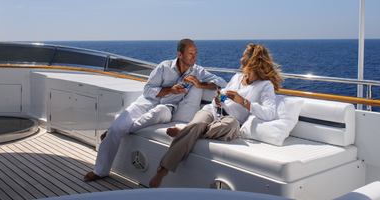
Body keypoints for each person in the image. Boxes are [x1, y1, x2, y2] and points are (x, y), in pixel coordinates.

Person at [84, 38, 226, 182]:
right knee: (116, 127)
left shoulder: (198, 71)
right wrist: (170, 90)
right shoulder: (164, 67)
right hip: (146, 102)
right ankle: (100, 171)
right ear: (180, 54)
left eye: (195, 53)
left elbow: (222, 83)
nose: (194, 57)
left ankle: (116, 131)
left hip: (168, 109)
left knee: (155, 113)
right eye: (190, 53)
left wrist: (200, 84)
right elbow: (147, 90)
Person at [149, 43, 282, 188]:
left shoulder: (265, 85)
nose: (240, 59)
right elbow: (223, 95)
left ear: (253, 60)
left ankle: (188, 131)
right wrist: (219, 99)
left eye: (244, 56)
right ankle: (161, 172)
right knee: (200, 121)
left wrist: (243, 101)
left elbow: (269, 113)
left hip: (231, 121)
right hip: (213, 110)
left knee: (228, 124)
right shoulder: (237, 78)